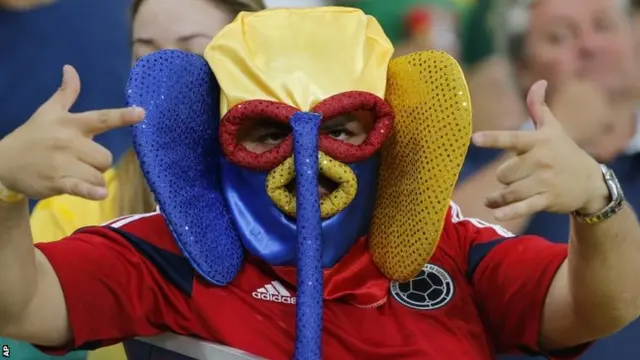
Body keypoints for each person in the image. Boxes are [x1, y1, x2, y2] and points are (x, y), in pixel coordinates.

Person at [1, 7, 640, 360]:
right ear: (216, 134)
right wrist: (3, 190)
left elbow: (601, 306)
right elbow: (21, 305)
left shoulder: (453, 249)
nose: (306, 164)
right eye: (265, 133)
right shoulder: (168, 252)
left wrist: (598, 200)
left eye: (345, 127)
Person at [28, 1, 265, 359]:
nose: (162, 83)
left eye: (193, 51)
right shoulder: (78, 207)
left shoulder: (300, 212)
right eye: (144, 57)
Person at [454, 1, 640, 357]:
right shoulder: (476, 159)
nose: (588, 45)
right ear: (523, 69)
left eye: (603, 26)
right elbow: (437, 255)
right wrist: (564, 130)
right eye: (559, 36)